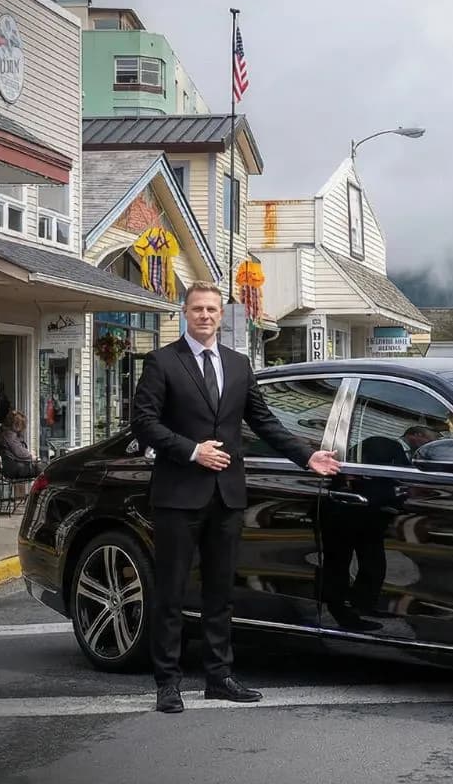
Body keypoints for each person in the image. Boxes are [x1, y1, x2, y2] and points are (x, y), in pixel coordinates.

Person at [131, 281, 340, 715]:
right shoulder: (162, 362)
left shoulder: (239, 364)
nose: (205, 316)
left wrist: (306, 455)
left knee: (220, 593)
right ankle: (167, 683)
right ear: (184, 313)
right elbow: (144, 422)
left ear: (221, 316)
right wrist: (193, 451)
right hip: (177, 497)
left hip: (227, 497)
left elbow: (264, 422)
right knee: (170, 592)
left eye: (211, 309)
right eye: (197, 309)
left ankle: (219, 677)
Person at [0, 410, 41, 480]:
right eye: (19, 424)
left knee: (41, 467)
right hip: (12, 469)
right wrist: (32, 457)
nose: (21, 428)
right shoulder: (9, 435)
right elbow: (19, 453)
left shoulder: (3, 432)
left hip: (8, 467)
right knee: (43, 469)